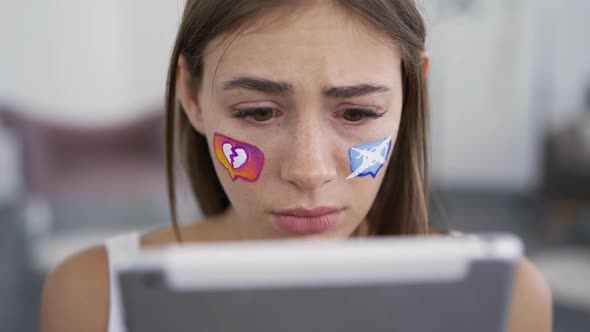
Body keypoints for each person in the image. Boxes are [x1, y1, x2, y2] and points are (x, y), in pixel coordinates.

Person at [40, 1, 552, 331]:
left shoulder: (511, 302)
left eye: (357, 112)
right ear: (192, 96)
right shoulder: (92, 297)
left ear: (410, 94)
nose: (308, 171)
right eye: (258, 112)